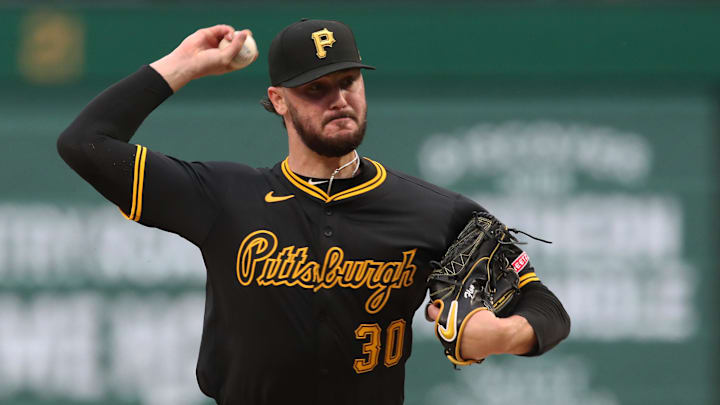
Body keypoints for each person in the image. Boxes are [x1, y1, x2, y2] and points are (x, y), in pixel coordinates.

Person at [57, 19, 570, 405]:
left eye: (348, 81)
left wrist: (504, 334)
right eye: (315, 89)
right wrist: (185, 65)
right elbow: (84, 143)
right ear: (279, 101)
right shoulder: (222, 196)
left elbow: (547, 308)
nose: (338, 98)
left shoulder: (434, 213)